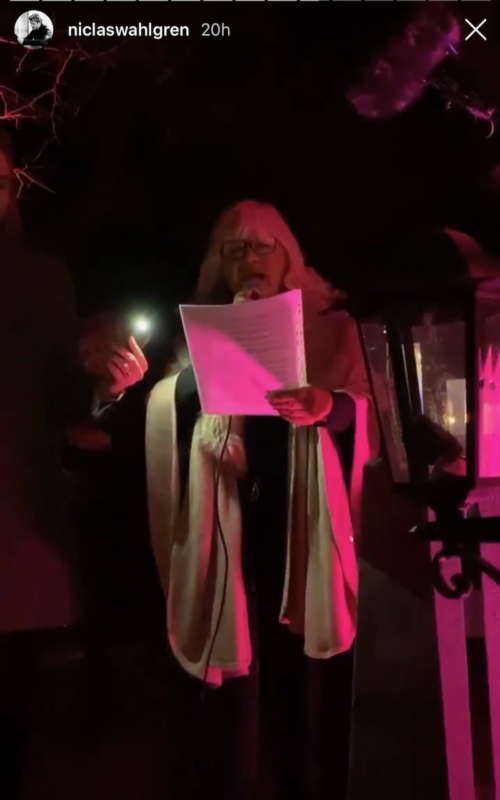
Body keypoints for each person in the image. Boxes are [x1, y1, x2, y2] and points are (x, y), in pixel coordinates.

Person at [146, 200, 378, 800]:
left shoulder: (331, 323)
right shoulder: (203, 329)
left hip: (301, 519)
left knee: (302, 679)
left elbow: (366, 404)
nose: (249, 258)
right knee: (234, 693)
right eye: (234, 249)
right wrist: (206, 367)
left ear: (286, 255)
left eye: (260, 245)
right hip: (230, 519)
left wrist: (327, 405)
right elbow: (169, 404)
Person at [0, 130, 144, 798]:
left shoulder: (41, 277)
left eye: (1, 182)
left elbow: (63, 398)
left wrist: (108, 388)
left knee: (12, 711)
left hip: (17, 519)